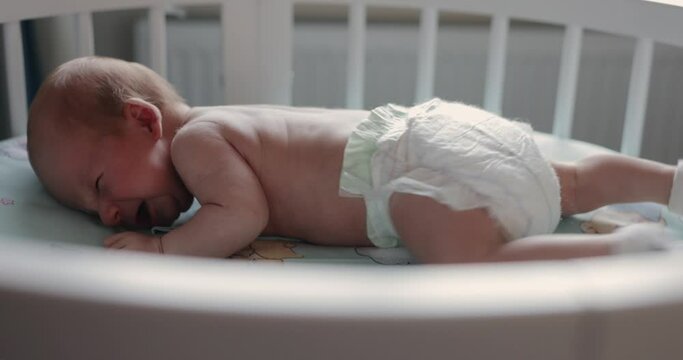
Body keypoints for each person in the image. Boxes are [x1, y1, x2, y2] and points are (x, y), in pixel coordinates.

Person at [26, 56, 682, 263]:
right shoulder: (239, 122)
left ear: (145, 121)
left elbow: (240, 214)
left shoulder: (199, 142)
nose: (108, 212)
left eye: (99, 184)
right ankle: (668, 182)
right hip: (440, 131)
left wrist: (164, 253)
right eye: (91, 210)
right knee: (563, 183)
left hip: (408, 168)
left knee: (460, 256)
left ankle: (617, 254)